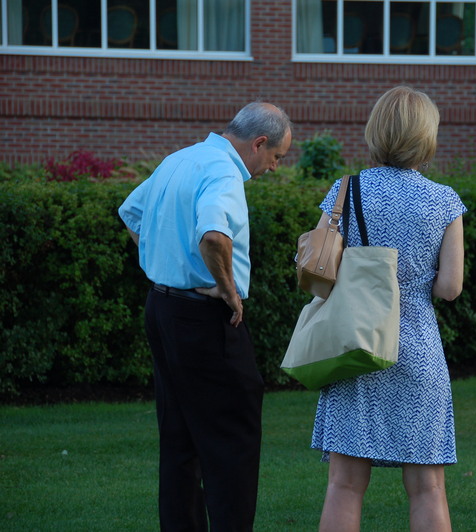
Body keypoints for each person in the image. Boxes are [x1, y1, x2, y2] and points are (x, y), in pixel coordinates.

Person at [118, 102, 293, 531]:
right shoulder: (223, 171)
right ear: (258, 143)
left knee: (179, 439)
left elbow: (132, 212)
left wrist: (164, 259)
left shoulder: (180, 158)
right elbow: (213, 237)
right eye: (277, 156)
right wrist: (228, 289)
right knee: (233, 439)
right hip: (203, 319)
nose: (275, 166)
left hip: (162, 308)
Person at [311, 86, 466, 532]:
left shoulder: (346, 190)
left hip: (356, 345)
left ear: (376, 131)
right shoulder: (444, 200)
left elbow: (320, 268)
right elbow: (450, 288)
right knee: (427, 488)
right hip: (417, 349)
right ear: (426, 136)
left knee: (344, 484)